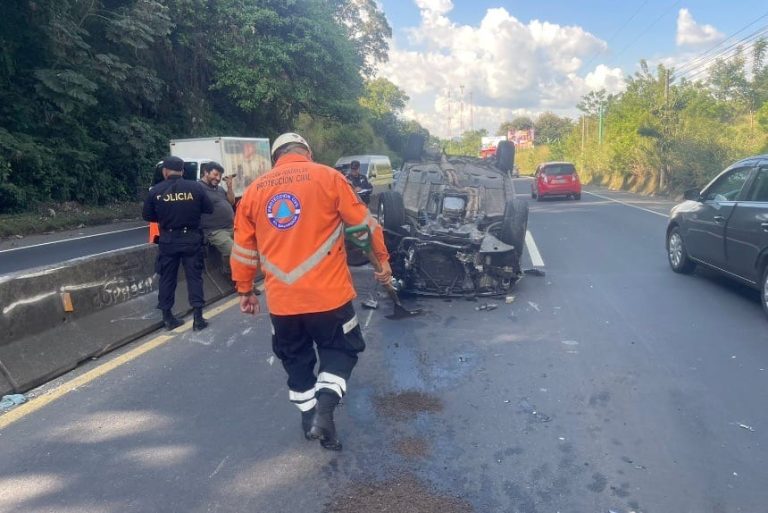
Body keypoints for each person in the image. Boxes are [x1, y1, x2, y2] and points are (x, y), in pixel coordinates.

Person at [231, 133, 391, 451]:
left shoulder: (253, 192)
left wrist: (245, 290)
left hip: (282, 302)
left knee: (295, 359)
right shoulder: (329, 177)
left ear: (275, 158)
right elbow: (365, 225)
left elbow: (243, 250)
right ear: (307, 151)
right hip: (329, 296)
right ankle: (326, 410)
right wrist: (383, 263)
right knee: (341, 350)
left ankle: (310, 421)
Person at [142, 156, 214, 331]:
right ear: (182, 171)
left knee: (167, 278)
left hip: (168, 240)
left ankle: (168, 317)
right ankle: (198, 318)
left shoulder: (155, 191)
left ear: (165, 171)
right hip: (191, 239)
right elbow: (209, 209)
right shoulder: (195, 187)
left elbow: (148, 216)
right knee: (194, 277)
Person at [199, 161, 235, 274]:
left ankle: (241, 276)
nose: (218, 178)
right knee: (233, 250)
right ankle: (231, 273)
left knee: (247, 247)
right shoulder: (198, 187)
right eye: (215, 174)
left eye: (219, 176)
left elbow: (231, 202)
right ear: (206, 172)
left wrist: (229, 187)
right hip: (215, 230)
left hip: (231, 226)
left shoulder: (219, 189)